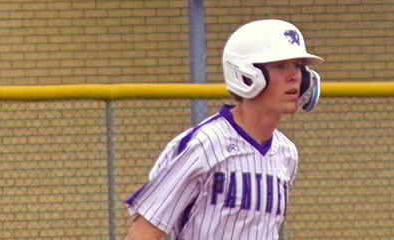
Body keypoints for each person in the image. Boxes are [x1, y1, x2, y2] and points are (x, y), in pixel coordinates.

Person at [124, 19, 323, 240]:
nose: (295, 76)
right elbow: (144, 231)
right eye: (279, 66)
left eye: (297, 66)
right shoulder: (205, 143)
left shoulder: (286, 153)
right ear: (247, 74)